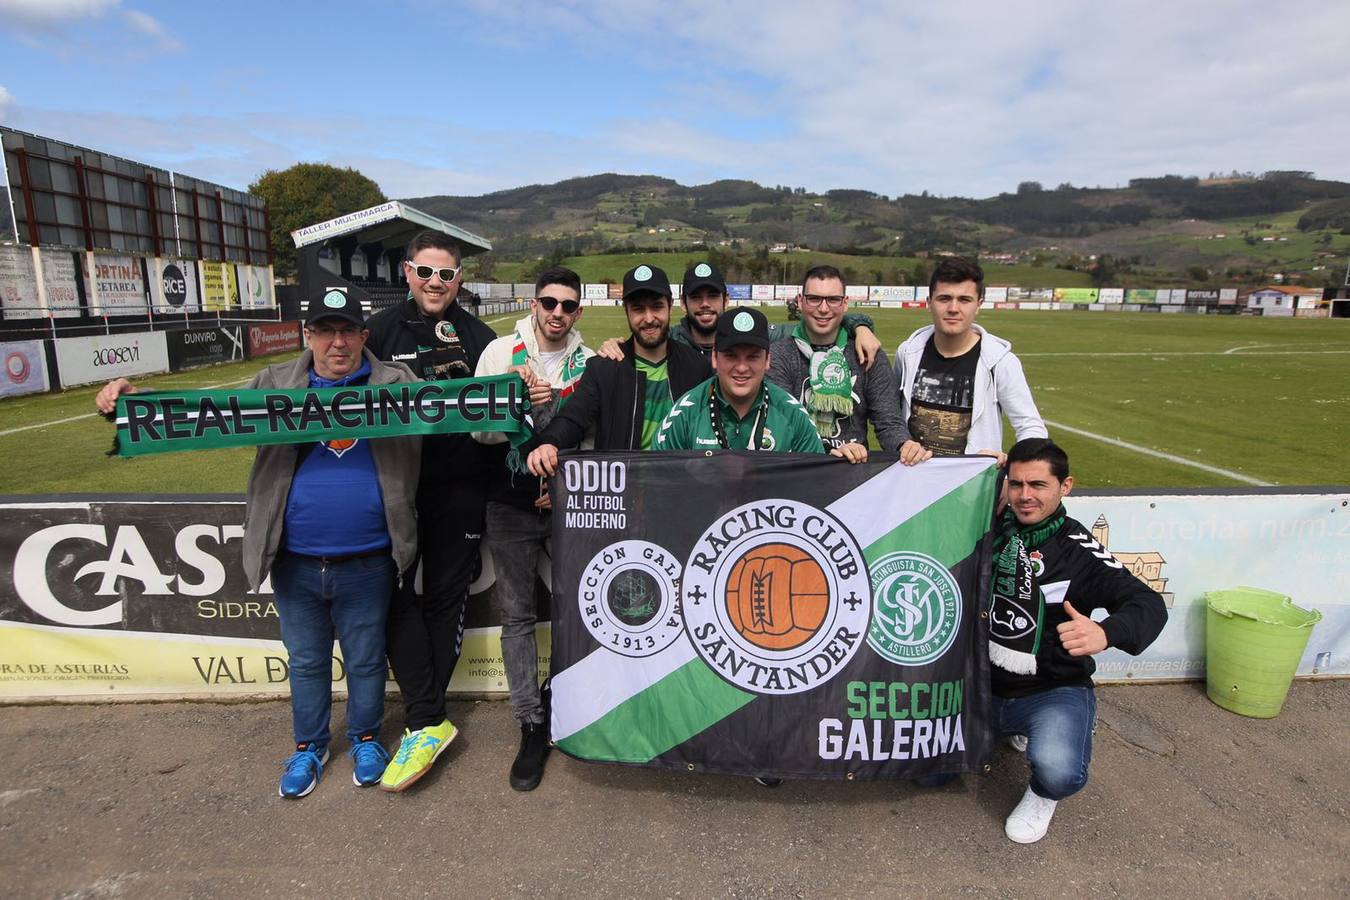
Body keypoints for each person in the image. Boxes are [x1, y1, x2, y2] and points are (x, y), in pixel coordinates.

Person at [95, 288, 421, 799]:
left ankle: (364, 739)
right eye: (326, 331)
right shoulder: (273, 384)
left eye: (348, 331)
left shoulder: (397, 384)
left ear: (364, 336)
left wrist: (510, 394)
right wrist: (135, 403)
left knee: (365, 658)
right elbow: (203, 415)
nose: (338, 343)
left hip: (370, 557)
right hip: (295, 560)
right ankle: (309, 747)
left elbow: (458, 411)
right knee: (307, 660)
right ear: (307, 335)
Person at [364, 229, 498, 792]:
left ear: (459, 279)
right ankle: (427, 712)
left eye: (446, 274)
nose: (436, 283)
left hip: (459, 487)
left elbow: (504, 411)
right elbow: (311, 389)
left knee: (445, 598)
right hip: (393, 485)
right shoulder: (377, 332)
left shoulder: (481, 337)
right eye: (426, 271)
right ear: (407, 272)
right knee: (392, 595)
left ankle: (427, 719)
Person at [989, 438, 1167, 843]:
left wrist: (1106, 632)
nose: (1025, 495)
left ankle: (1042, 791)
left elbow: (1149, 603)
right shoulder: (988, 525)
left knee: (1060, 770)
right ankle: (1004, 727)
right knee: (931, 774)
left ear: (1065, 486)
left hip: (1050, 686)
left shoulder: (1079, 548)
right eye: (1016, 485)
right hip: (978, 682)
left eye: (1038, 485)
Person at [472, 267, 594, 791]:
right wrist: (514, 404)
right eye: (550, 302)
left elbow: (594, 437)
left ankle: (570, 705)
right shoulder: (500, 354)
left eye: (568, 305)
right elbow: (476, 430)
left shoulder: (591, 363)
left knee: (582, 609)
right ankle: (529, 720)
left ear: (578, 313)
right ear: (534, 304)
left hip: (571, 502)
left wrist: (564, 475)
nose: (557, 313)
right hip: (509, 502)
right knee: (518, 616)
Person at [524, 264, 711, 478]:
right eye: (638, 309)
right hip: (621, 497)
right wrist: (549, 443)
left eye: (656, 306)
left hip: (677, 491)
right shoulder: (604, 367)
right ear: (626, 311)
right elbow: (573, 418)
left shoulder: (697, 368)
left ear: (670, 305)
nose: (649, 318)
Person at [768, 264, 930, 466]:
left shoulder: (868, 353)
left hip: (853, 472)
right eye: (814, 299)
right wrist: (831, 451)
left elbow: (888, 420)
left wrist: (904, 445)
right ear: (800, 302)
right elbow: (786, 423)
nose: (824, 308)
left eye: (833, 300)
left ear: (845, 303)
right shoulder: (779, 355)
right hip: (798, 470)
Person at [893, 257, 1046, 463]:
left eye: (964, 300)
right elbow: (891, 415)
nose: (953, 308)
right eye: (944, 298)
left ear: (979, 305)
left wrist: (1011, 463)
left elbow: (1031, 427)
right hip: (915, 482)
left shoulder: (1001, 362)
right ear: (929, 302)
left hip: (971, 487)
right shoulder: (908, 353)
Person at [596, 260, 885, 368]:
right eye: (696, 297)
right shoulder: (670, 340)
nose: (705, 304)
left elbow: (817, 322)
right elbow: (640, 340)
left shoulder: (763, 335)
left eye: (712, 296)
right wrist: (614, 345)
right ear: (683, 304)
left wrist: (860, 325)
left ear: (727, 299)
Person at [653, 307, 826, 456]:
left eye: (752, 357)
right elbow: (658, 480)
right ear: (714, 357)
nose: (742, 367)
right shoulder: (684, 415)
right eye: (731, 356)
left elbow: (816, 482)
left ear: (767, 360)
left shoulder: (793, 415)